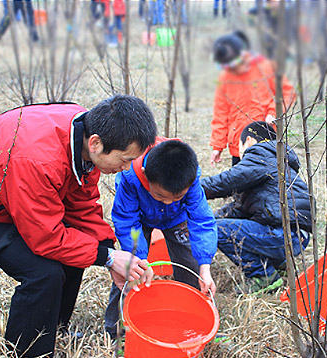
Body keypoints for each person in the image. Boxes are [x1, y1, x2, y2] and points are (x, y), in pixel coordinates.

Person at [0, 95, 157, 358]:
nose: (127, 168)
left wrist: (106, 248)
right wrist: (107, 258)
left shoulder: (84, 132)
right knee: (44, 273)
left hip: (12, 195)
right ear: (95, 144)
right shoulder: (38, 158)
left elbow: (81, 203)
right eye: (124, 160)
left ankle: (51, 331)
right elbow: (45, 238)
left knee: (80, 248)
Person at [104, 139, 217, 339]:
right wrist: (140, 257)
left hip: (176, 218)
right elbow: (127, 219)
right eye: (160, 195)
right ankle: (116, 331)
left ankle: (193, 323)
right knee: (131, 270)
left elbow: (201, 220)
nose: (167, 201)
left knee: (191, 267)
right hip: (140, 218)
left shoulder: (189, 179)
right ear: (147, 175)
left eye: (176, 197)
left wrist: (205, 267)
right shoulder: (130, 177)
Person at [201, 121, 311, 294]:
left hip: (284, 234)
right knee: (225, 226)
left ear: (250, 141)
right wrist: (207, 218)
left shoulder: (261, 153)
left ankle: (263, 276)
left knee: (218, 230)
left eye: (239, 146)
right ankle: (278, 264)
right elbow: (238, 210)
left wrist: (190, 188)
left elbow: (226, 181)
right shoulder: (275, 163)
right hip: (297, 236)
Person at [210, 31, 295, 167]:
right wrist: (217, 146)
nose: (237, 69)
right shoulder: (225, 78)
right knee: (240, 182)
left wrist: (274, 112)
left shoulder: (266, 67)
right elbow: (220, 114)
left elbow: (287, 91)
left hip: (265, 140)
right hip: (239, 145)